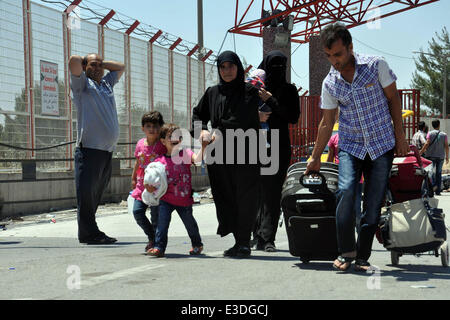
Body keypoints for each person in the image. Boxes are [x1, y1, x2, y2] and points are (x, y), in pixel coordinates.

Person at [305, 23, 409, 271]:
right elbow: (326, 122)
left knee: (373, 204)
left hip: (382, 144)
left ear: (350, 47)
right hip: (350, 145)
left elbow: (393, 98)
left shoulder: (376, 65)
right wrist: (315, 157)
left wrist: (400, 135)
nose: (334, 61)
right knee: (346, 190)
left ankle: (363, 256)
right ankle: (346, 250)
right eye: (329, 56)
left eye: (338, 54)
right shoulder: (330, 83)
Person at [191, 50, 261, 258]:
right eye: (223, 67)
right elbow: (198, 113)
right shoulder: (212, 92)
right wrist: (202, 129)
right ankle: (238, 241)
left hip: (245, 152)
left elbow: (241, 119)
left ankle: (244, 242)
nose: (227, 71)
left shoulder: (249, 91)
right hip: (219, 155)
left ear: (238, 67)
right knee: (225, 196)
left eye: (231, 66)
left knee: (245, 197)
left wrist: (216, 131)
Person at [69, 53, 125, 245]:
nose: (97, 68)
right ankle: (89, 233)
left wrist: (100, 62)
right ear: (85, 67)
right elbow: (73, 61)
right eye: (92, 65)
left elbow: (121, 66)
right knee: (86, 194)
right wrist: (87, 63)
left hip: (106, 150)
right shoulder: (82, 85)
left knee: (95, 193)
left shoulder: (107, 83)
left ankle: (88, 231)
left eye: (100, 65)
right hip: (89, 150)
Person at [252, 50, 300, 252]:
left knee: (272, 193)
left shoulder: (289, 90)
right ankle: (256, 233)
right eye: (274, 67)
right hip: (255, 144)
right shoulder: (255, 86)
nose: (278, 71)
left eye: (282, 67)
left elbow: (293, 117)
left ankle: (267, 237)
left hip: (279, 146)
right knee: (255, 191)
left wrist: (272, 101)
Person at [146, 123, 208, 258]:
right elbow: (151, 180)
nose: (176, 139)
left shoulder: (185, 154)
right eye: (171, 136)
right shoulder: (159, 161)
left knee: (190, 224)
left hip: (184, 199)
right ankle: (159, 247)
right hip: (166, 199)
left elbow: (197, 160)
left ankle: (197, 244)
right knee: (162, 224)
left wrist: (203, 147)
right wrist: (148, 187)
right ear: (162, 141)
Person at [130, 111, 167, 252]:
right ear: (143, 128)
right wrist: (133, 178)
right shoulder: (140, 144)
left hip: (157, 190)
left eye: (156, 126)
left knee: (156, 218)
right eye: (149, 126)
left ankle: (156, 245)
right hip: (141, 188)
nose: (152, 129)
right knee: (137, 212)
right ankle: (152, 236)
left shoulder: (162, 145)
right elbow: (138, 162)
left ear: (161, 127)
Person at [327, 133, 363, 233]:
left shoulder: (357, 136)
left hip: (357, 179)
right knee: (339, 208)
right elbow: (330, 159)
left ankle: (360, 238)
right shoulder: (333, 138)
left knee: (356, 210)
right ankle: (341, 238)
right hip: (337, 178)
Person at [420, 119, 449, 195]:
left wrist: (421, 152)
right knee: (438, 173)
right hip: (441, 157)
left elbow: (426, 144)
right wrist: (447, 157)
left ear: (432, 125)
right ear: (439, 125)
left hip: (431, 156)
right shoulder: (444, 135)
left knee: (430, 173)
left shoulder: (429, 133)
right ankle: (438, 190)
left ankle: (433, 186)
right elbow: (446, 146)